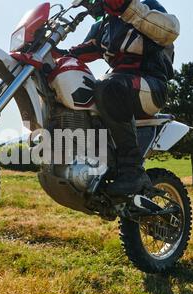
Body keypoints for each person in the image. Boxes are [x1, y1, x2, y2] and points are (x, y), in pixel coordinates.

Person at [61, 0, 180, 196]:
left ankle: (133, 170)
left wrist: (126, 7)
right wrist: (50, 52)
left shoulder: (146, 6)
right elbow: (79, 52)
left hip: (151, 84)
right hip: (119, 86)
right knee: (83, 90)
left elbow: (170, 31)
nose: (89, 5)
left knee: (107, 87)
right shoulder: (102, 28)